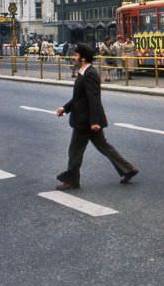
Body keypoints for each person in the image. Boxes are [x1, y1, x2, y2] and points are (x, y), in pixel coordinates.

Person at [54, 43, 138, 190]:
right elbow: (79, 98)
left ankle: (72, 180)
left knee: (75, 150)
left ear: (83, 58)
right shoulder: (84, 72)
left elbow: (93, 99)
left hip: (85, 121)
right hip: (86, 119)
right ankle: (128, 169)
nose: (73, 57)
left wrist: (94, 121)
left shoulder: (90, 74)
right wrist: (65, 108)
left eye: (75, 55)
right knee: (103, 147)